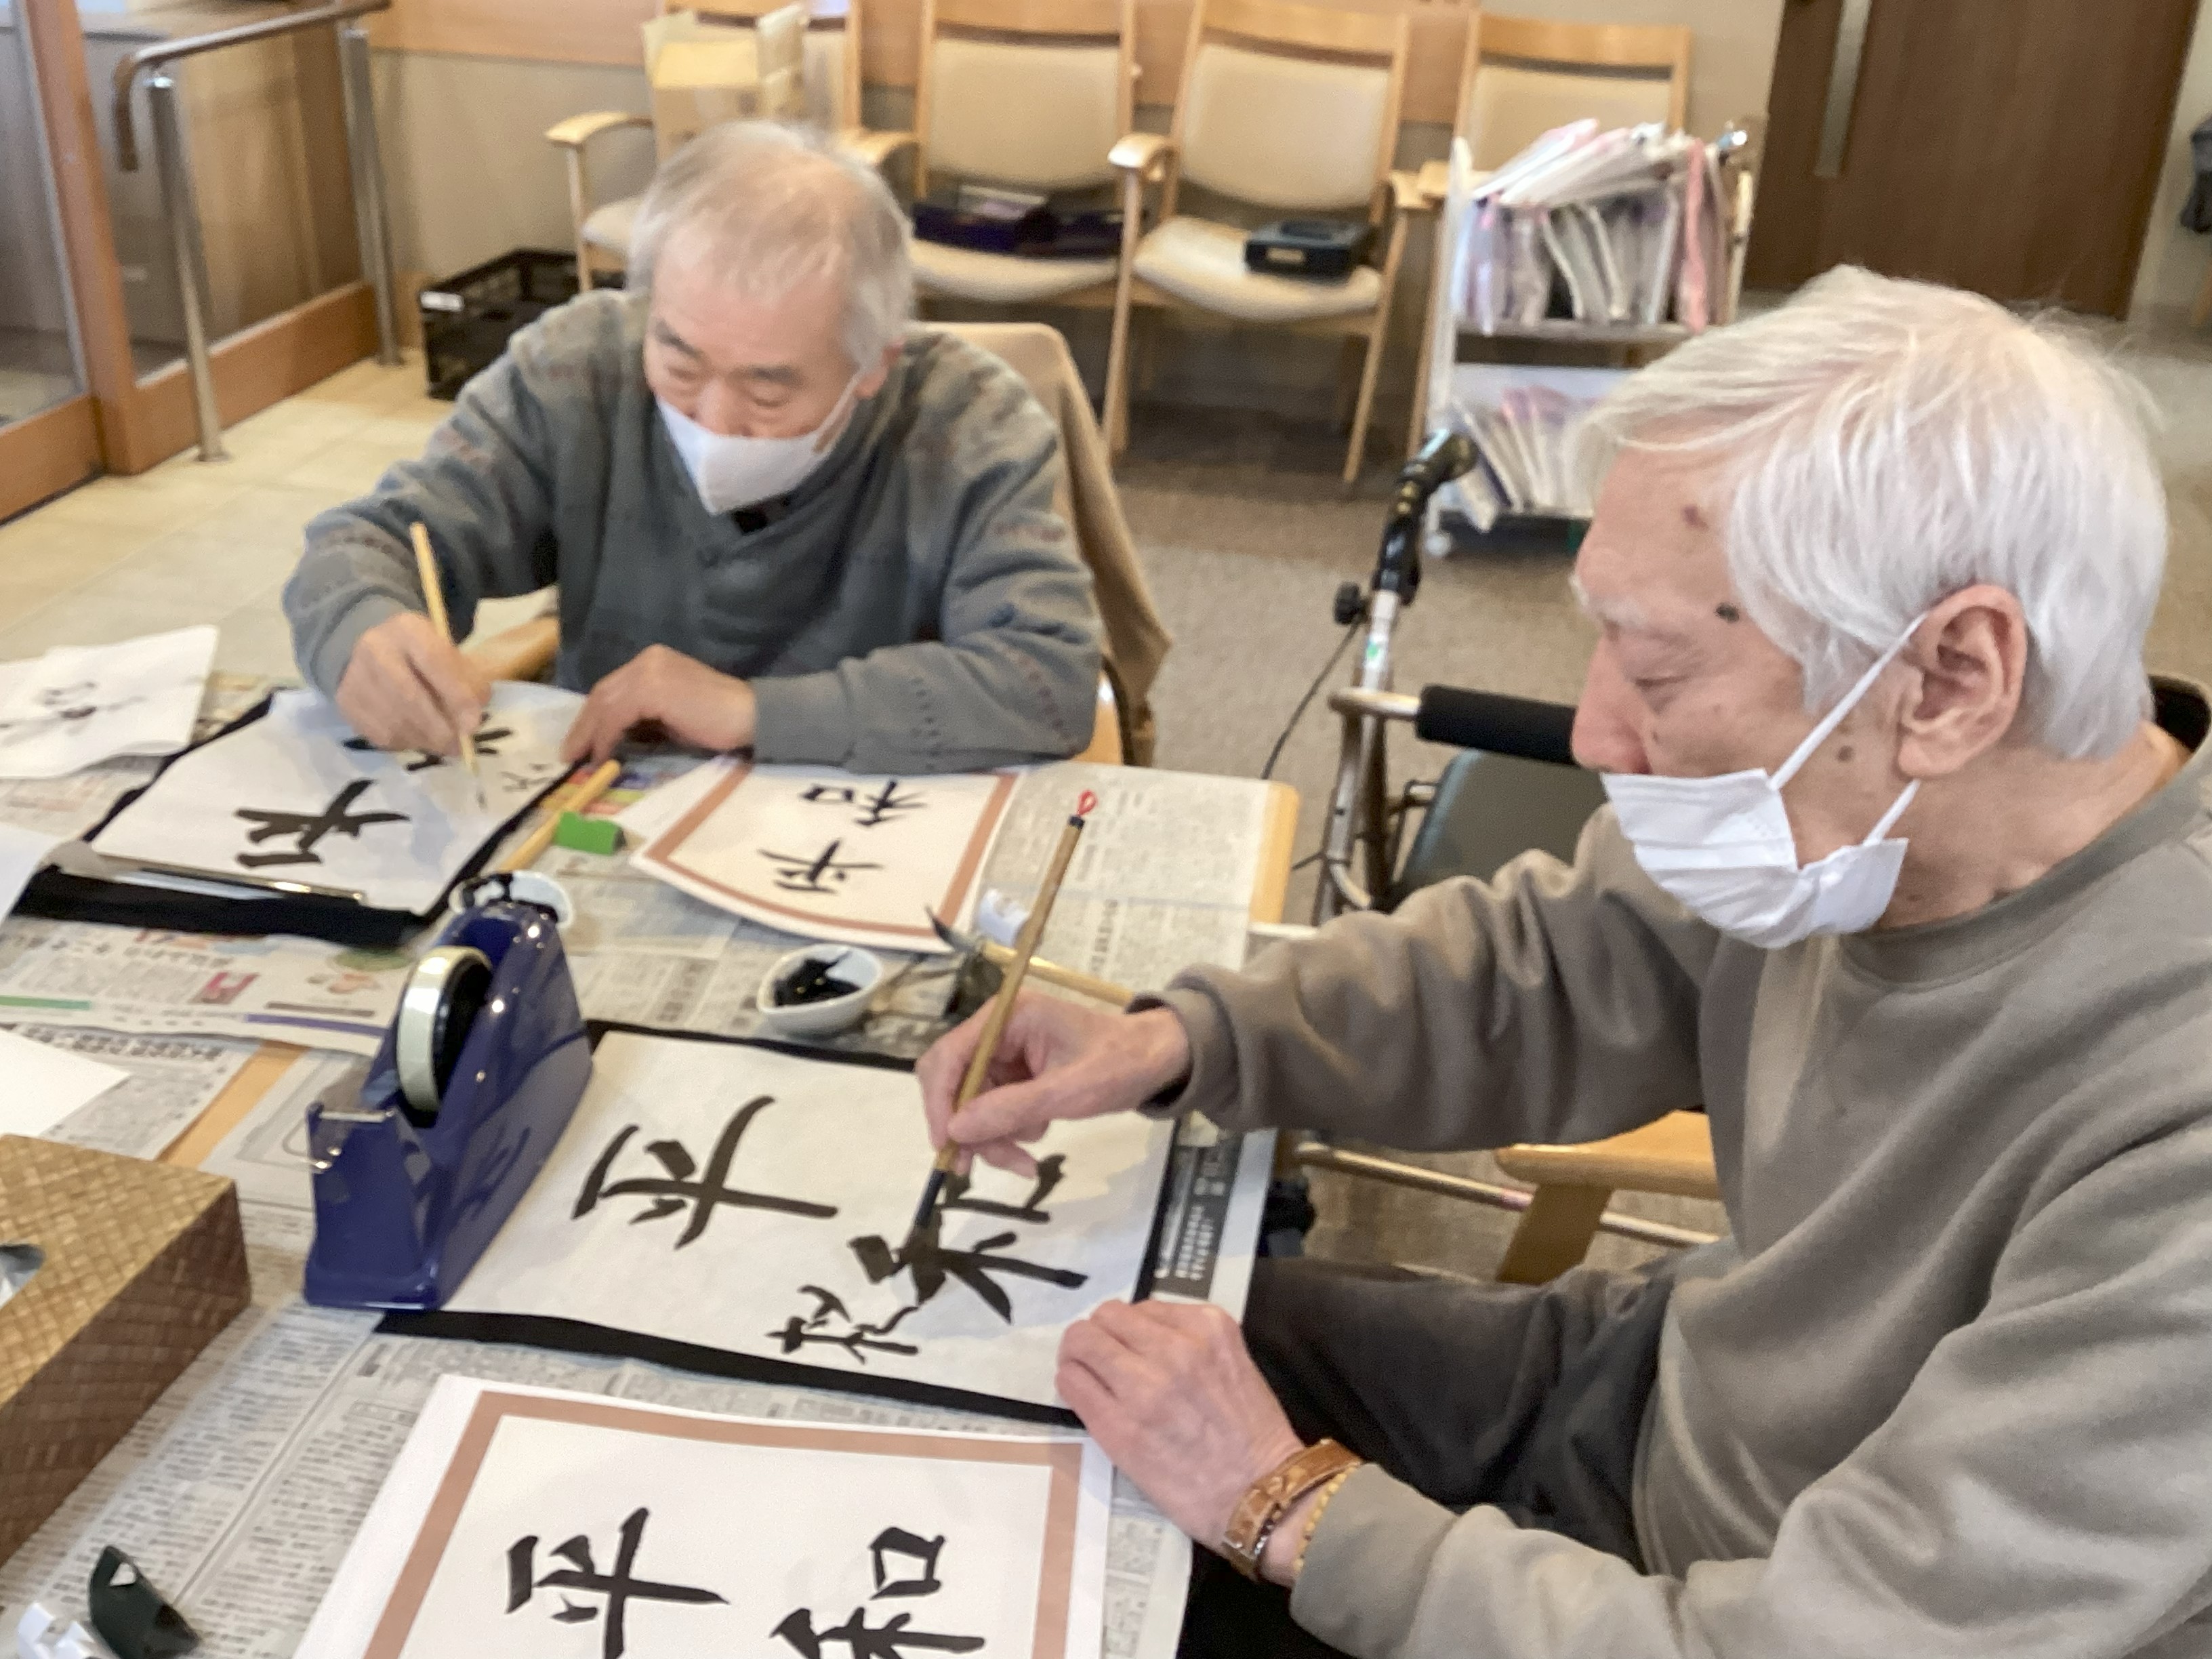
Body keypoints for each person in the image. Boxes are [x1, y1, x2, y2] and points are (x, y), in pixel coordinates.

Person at [918, 268, 2212, 1657]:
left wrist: (1290, 1508)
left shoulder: (2170, 1115)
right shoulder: (1864, 815)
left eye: (1654, 674)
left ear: (1952, 678)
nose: (1594, 734)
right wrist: (1184, 1037)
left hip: (1748, 1591)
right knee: (1048, 1352)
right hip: (1651, 1397)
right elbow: (1550, 962)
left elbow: (1837, 1639)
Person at [283, 121, 1103, 775]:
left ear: (872, 365)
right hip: (608, 802)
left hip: (852, 820)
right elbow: (371, 540)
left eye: (767, 390)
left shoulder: (968, 425)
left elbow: (1048, 677)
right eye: (679, 362)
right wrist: (361, 625)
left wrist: (754, 712)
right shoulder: (580, 369)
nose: (713, 419)